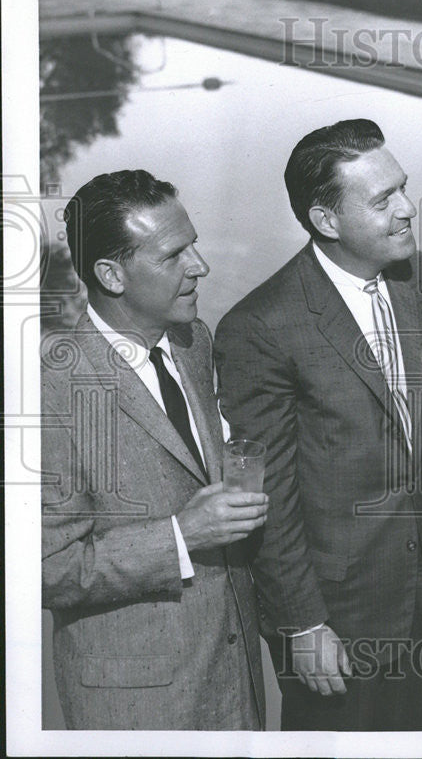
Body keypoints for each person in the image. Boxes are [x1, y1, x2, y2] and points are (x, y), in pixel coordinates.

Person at [214, 120, 422, 731]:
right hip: (337, 618)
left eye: (403, 188)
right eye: (383, 200)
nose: (407, 209)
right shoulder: (261, 327)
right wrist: (303, 623)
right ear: (326, 221)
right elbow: (269, 494)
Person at [41, 170, 267, 730]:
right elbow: (46, 568)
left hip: (234, 682)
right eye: (174, 255)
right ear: (111, 275)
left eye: (195, 244)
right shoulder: (51, 387)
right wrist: (180, 537)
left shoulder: (193, 340)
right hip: (137, 709)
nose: (201, 265)